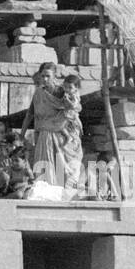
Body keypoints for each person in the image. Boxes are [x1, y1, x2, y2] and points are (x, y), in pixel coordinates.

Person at [23, 62, 82, 190]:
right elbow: (30, 114)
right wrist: (22, 134)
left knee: (64, 170)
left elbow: (76, 107)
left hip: (60, 135)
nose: (44, 79)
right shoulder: (39, 93)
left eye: (47, 76)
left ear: (54, 75)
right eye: (42, 76)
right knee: (44, 172)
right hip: (44, 135)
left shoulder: (63, 91)